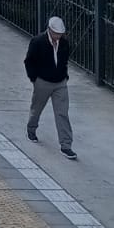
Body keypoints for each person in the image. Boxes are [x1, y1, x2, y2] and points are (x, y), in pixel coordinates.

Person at [24, 15, 76, 159]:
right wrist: (34, 79)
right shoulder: (37, 42)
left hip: (60, 83)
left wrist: (64, 77)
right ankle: (31, 129)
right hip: (43, 82)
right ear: (49, 30)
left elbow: (64, 61)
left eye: (60, 34)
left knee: (62, 114)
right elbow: (29, 61)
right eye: (55, 34)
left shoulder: (64, 44)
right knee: (37, 109)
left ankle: (66, 145)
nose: (57, 37)